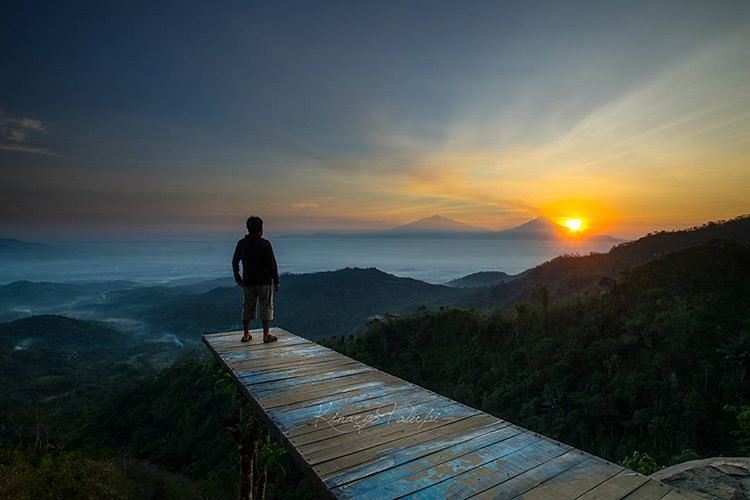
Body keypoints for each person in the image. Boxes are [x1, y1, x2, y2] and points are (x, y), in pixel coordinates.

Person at [231, 216, 280, 343]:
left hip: (248, 281)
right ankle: (266, 335)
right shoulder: (265, 244)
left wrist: (237, 277)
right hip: (264, 281)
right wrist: (276, 281)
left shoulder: (242, 243)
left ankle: (246, 334)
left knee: (247, 306)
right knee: (266, 307)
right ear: (260, 229)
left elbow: (235, 261)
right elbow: (272, 264)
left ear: (248, 228)